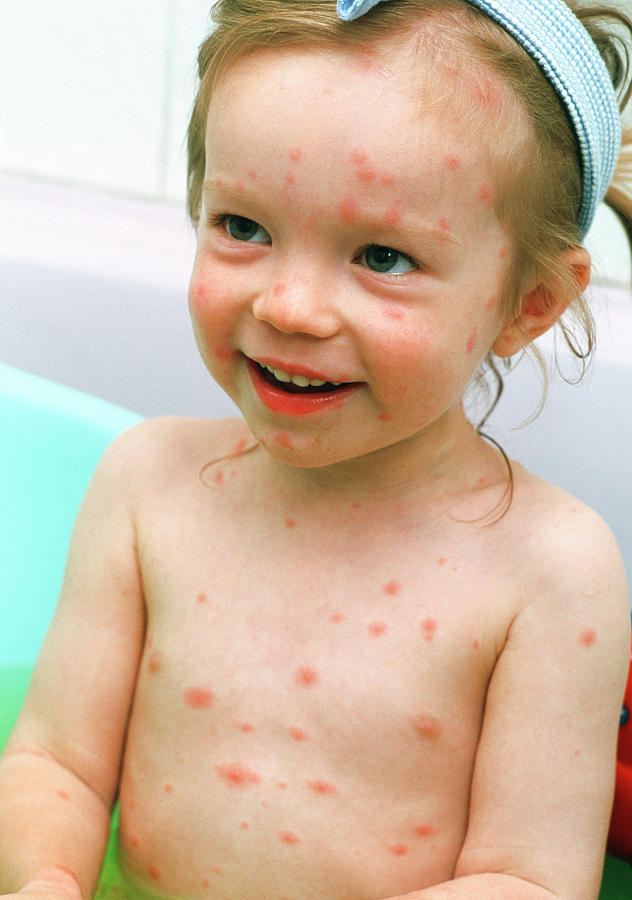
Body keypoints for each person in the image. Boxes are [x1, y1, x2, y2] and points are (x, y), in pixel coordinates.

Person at [1, 0, 632, 897]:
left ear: (529, 302)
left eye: (381, 256)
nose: (288, 306)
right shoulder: (146, 485)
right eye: (242, 228)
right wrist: (45, 880)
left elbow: (528, 880)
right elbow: (56, 761)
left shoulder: (551, 569)